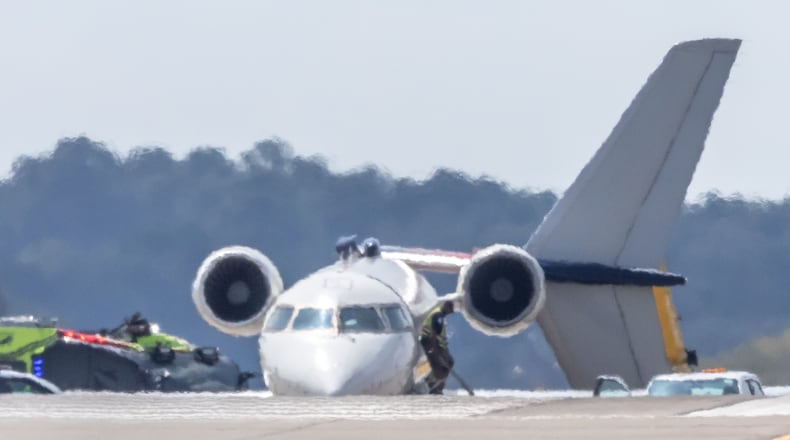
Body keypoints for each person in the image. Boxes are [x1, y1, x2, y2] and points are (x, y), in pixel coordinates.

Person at [419, 301, 455, 394]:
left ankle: (434, 385)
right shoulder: (438, 316)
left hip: (433, 344)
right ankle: (433, 385)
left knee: (448, 363)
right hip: (431, 344)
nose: (450, 313)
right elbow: (433, 334)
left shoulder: (438, 314)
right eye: (450, 310)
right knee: (444, 365)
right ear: (446, 307)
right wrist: (434, 349)